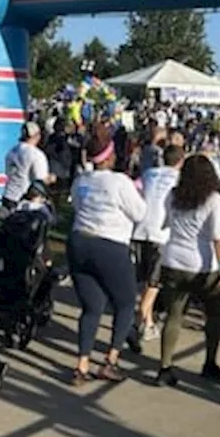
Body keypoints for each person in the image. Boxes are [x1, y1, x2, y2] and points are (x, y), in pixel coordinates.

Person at [67, 127, 147, 384]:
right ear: (110, 157)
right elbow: (140, 213)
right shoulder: (120, 182)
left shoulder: (81, 180)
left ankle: (82, 364)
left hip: (79, 241)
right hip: (110, 245)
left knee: (92, 308)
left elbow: (77, 206)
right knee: (124, 304)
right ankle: (110, 360)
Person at [154, 154, 220, 387]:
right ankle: (210, 362)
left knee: (174, 315)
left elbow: (165, 223)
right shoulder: (214, 200)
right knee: (214, 313)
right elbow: (219, 237)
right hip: (202, 265)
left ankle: (164, 367)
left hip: (173, 260)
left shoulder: (173, 195)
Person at [132, 143, 184, 342]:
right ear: (181, 161)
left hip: (139, 227)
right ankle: (140, 319)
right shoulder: (179, 179)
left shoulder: (149, 174)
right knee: (154, 281)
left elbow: (137, 189)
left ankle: (148, 321)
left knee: (145, 280)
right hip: (161, 232)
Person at [2, 121, 52, 211]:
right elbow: (40, 181)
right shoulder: (36, 154)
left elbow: (8, 172)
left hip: (8, 195)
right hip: (24, 200)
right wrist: (51, 178)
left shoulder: (12, 151)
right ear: (37, 136)